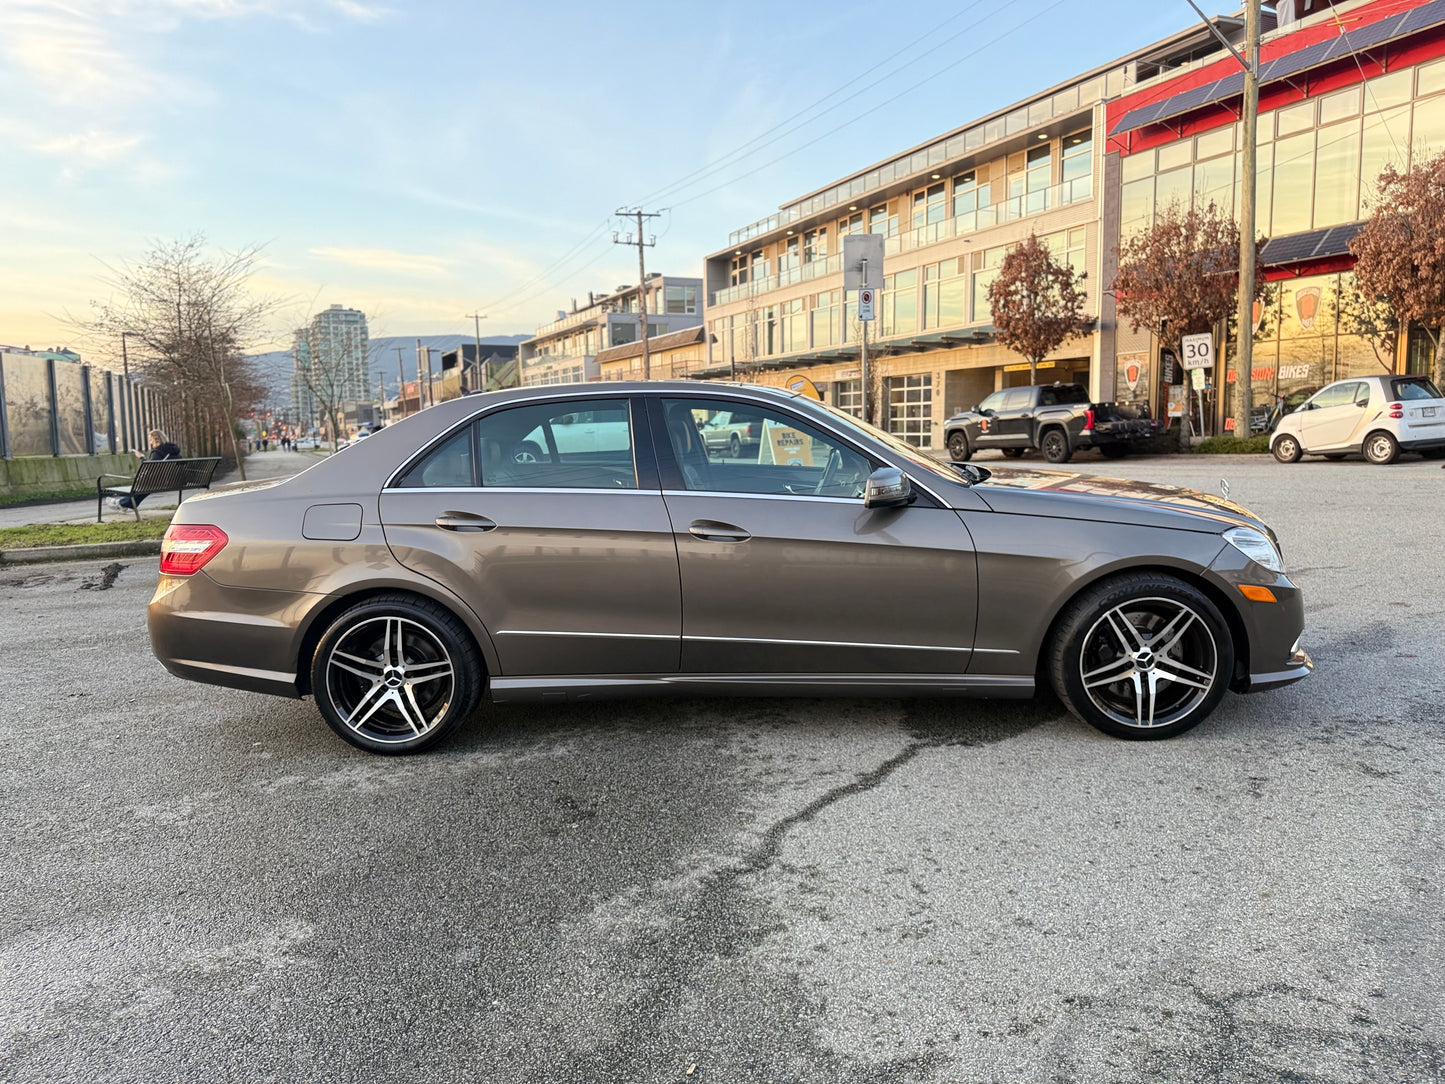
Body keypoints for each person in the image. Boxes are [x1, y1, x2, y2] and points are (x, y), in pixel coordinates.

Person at [108, 429, 181, 512]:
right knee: (148, 485)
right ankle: (124, 503)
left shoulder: (157, 452)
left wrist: (142, 458)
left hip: (162, 482)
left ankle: (121, 503)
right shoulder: (174, 451)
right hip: (175, 481)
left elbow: (150, 468)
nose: (150, 443)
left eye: (151, 440)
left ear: (156, 440)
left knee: (147, 484)